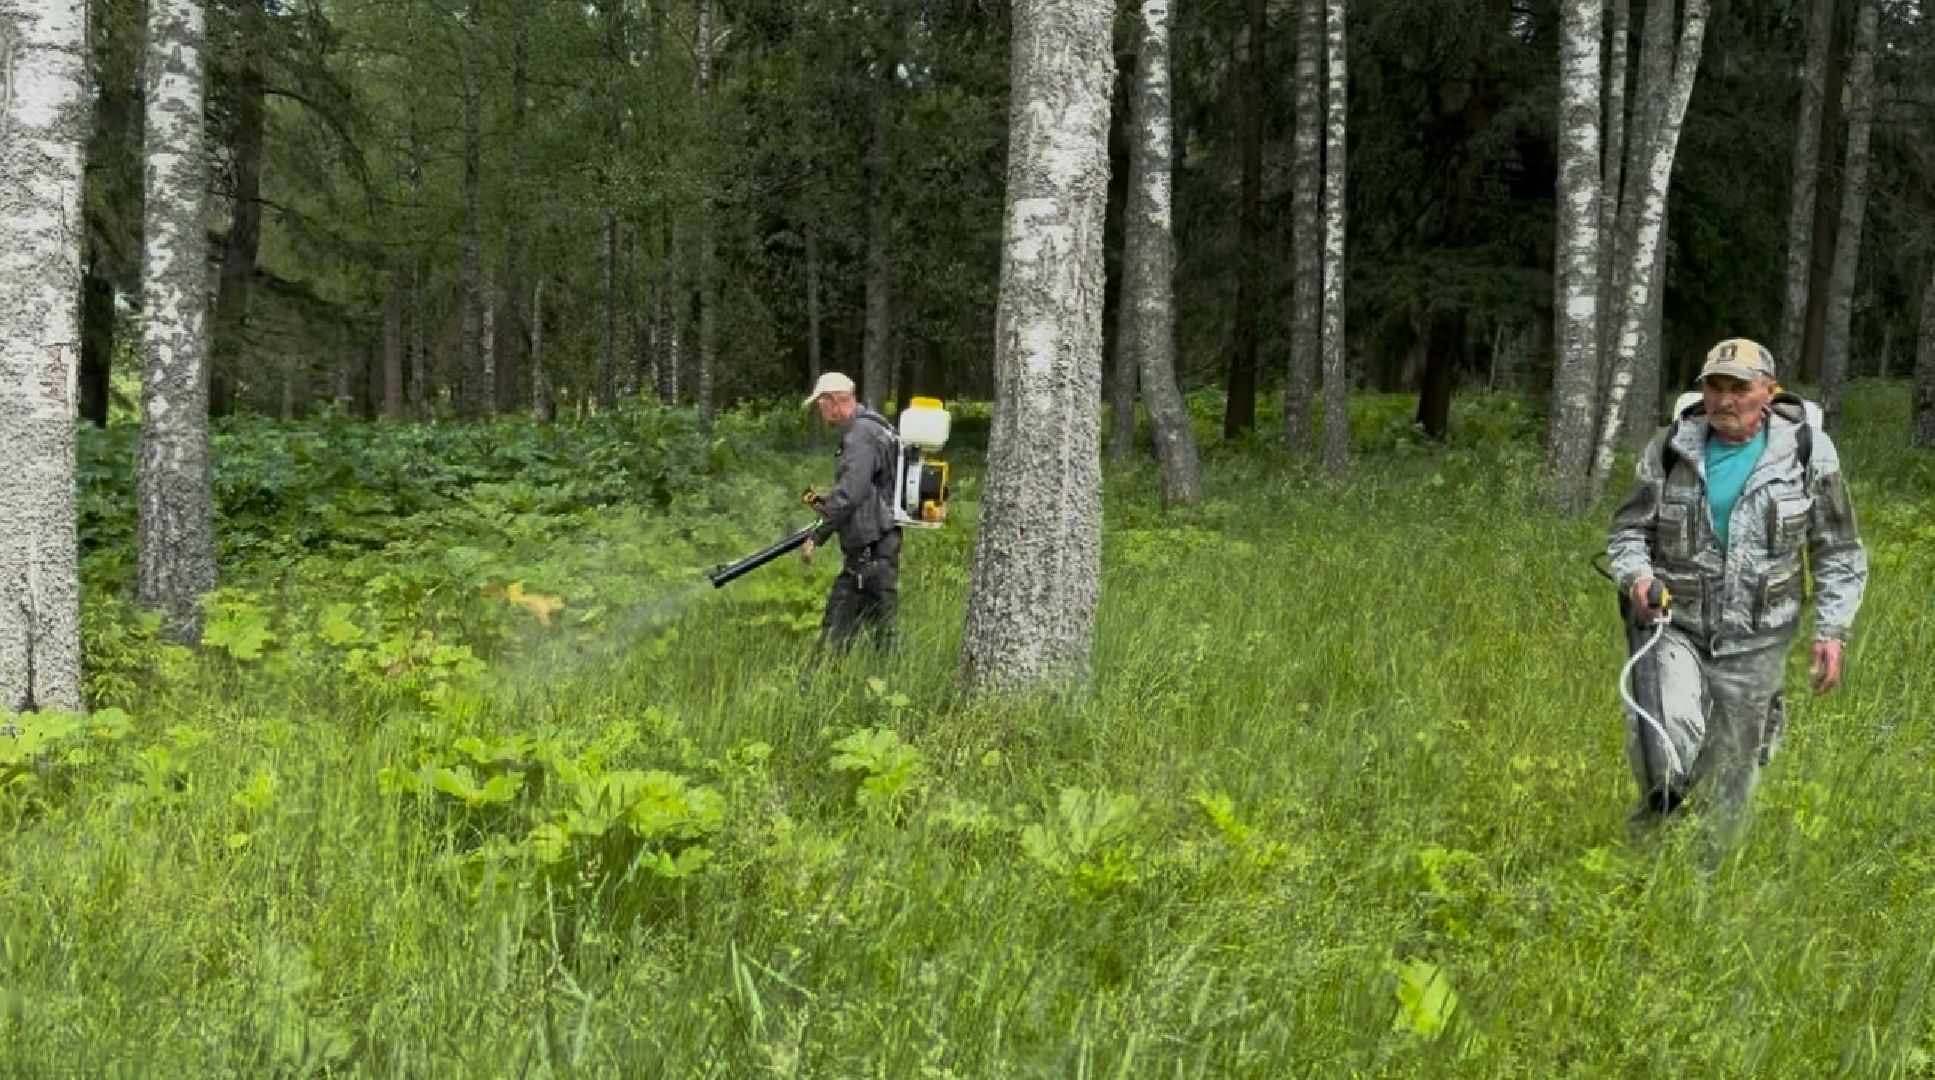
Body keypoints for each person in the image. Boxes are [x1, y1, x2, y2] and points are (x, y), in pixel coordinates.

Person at [1606, 337, 1868, 849]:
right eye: (1714, 386)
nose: (1724, 400)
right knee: (1663, 734)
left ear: (1768, 392)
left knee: (1733, 771)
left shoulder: (1808, 452)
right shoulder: (1670, 448)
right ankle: (1650, 841)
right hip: (1673, 625)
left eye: (1739, 388)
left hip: (1759, 636)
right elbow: (1627, 532)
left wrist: (1832, 631)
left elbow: (1839, 549)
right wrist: (1637, 577)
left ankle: (1702, 877)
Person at [800, 371, 902, 656]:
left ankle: (816, 684)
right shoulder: (873, 428)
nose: (821, 413)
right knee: (879, 631)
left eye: (821, 405)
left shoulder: (859, 436)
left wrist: (817, 534)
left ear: (833, 401)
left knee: (842, 628)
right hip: (877, 543)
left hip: (871, 547)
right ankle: (881, 677)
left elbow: (851, 494)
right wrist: (829, 499)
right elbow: (865, 488)